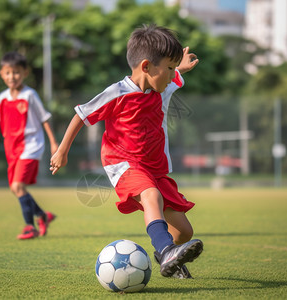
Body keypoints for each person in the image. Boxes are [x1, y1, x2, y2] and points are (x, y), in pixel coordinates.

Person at [50, 24, 203, 278]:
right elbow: (81, 115)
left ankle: (168, 255)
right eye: (169, 68)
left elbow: (175, 77)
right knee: (150, 195)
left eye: (174, 69)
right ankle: (166, 251)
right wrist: (62, 150)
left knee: (185, 232)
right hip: (122, 163)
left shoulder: (162, 86)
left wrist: (181, 68)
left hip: (156, 167)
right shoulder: (117, 93)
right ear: (146, 67)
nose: (172, 75)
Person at [0, 52, 58, 239]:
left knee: (17, 186)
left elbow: (44, 119)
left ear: (25, 73)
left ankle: (30, 227)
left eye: (17, 72)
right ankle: (42, 216)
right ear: (1, 74)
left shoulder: (30, 95)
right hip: (11, 146)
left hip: (31, 145)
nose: (12, 77)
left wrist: (54, 143)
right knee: (15, 188)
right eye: (8, 73)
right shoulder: (2, 98)